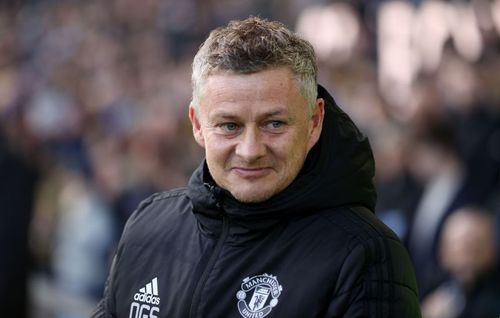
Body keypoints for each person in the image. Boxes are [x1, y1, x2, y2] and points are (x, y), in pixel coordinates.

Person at [92, 17, 421, 318]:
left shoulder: (365, 255)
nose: (250, 151)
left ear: (315, 121)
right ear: (196, 124)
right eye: (229, 126)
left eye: (274, 124)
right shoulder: (147, 227)